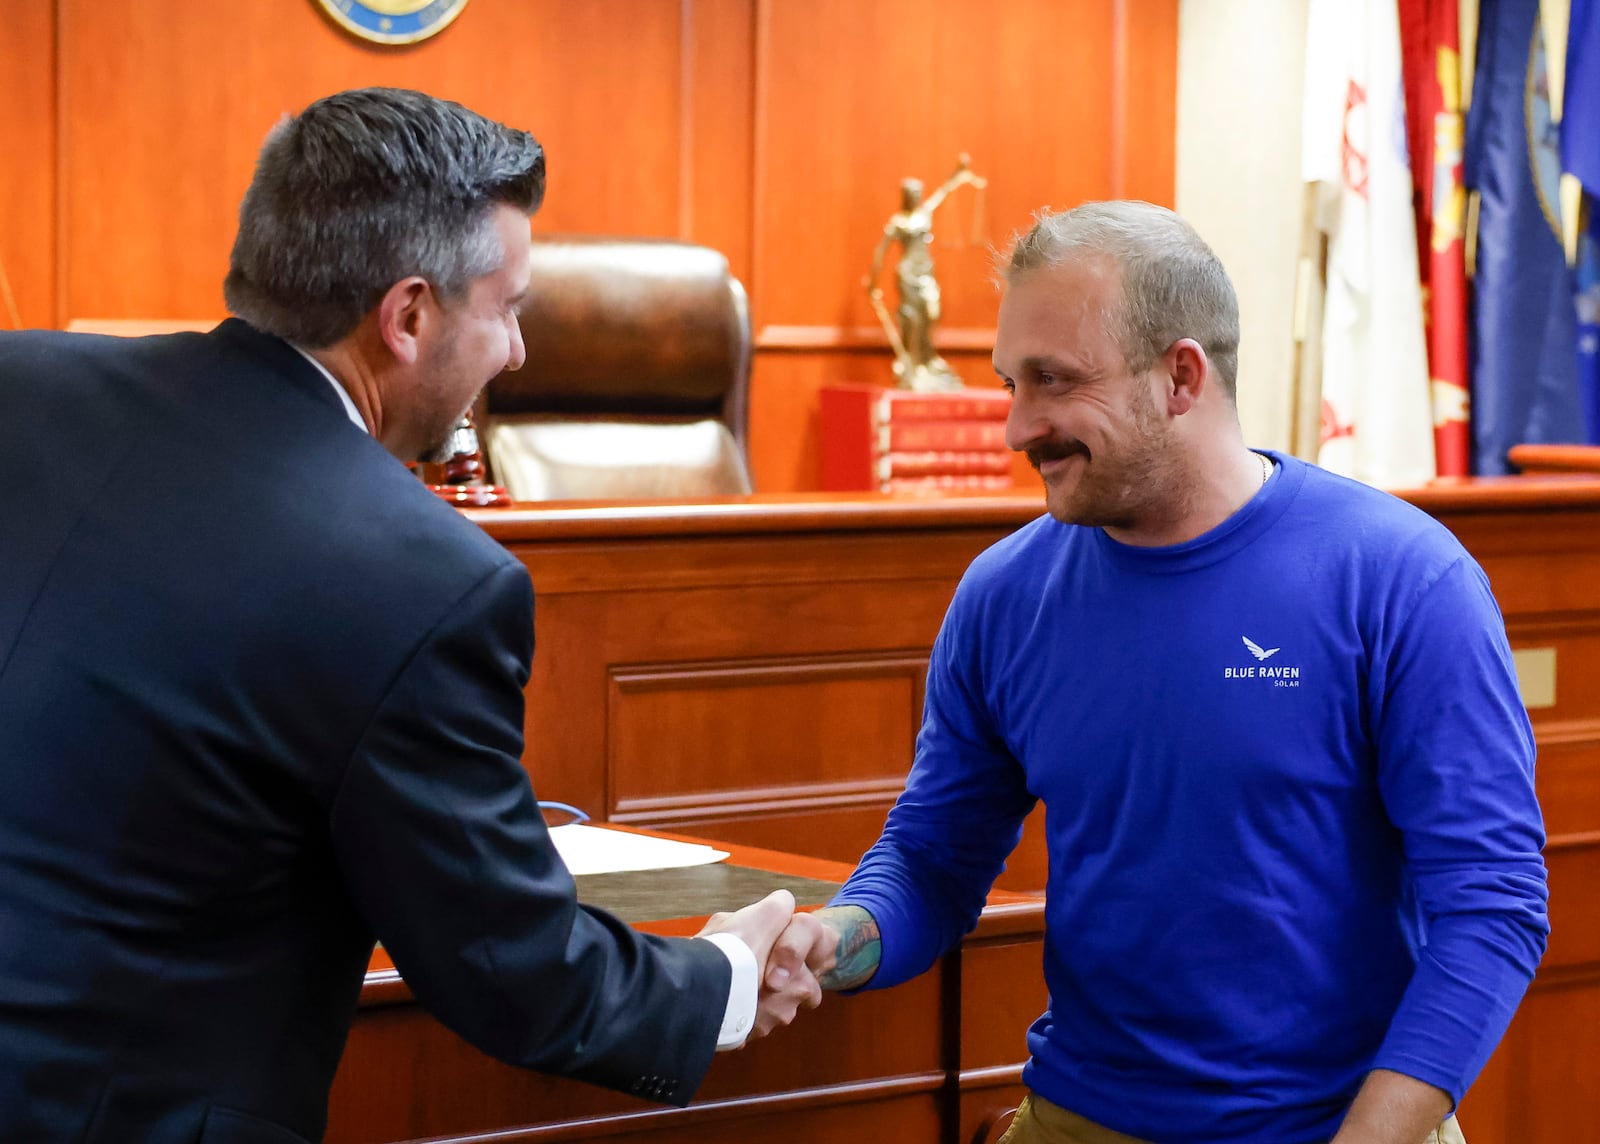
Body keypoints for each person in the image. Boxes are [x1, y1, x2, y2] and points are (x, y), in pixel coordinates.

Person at [0, 88, 811, 1143]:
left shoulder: (22, 385)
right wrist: (725, 975)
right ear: (410, 315)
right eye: (509, 308)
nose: (517, 354)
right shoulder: (423, 576)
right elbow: (509, 966)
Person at [772, 201, 1549, 1144]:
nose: (1018, 427)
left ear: (1181, 375)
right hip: (1077, 1117)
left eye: (1054, 382)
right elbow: (933, 862)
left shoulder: (1403, 580)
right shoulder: (1004, 595)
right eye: (1012, 383)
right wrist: (836, 938)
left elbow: (1493, 908)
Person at [864, 155, 987, 392]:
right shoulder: (899, 222)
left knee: (932, 313)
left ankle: (927, 361)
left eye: (919, 193)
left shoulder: (924, 215)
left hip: (925, 273)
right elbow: (881, 251)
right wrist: (873, 280)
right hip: (907, 274)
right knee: (913, 319)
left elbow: (941, 194)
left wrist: (958, 175)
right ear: (906, 196)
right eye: (913, 194)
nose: (917, 197)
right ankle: (916, 365)